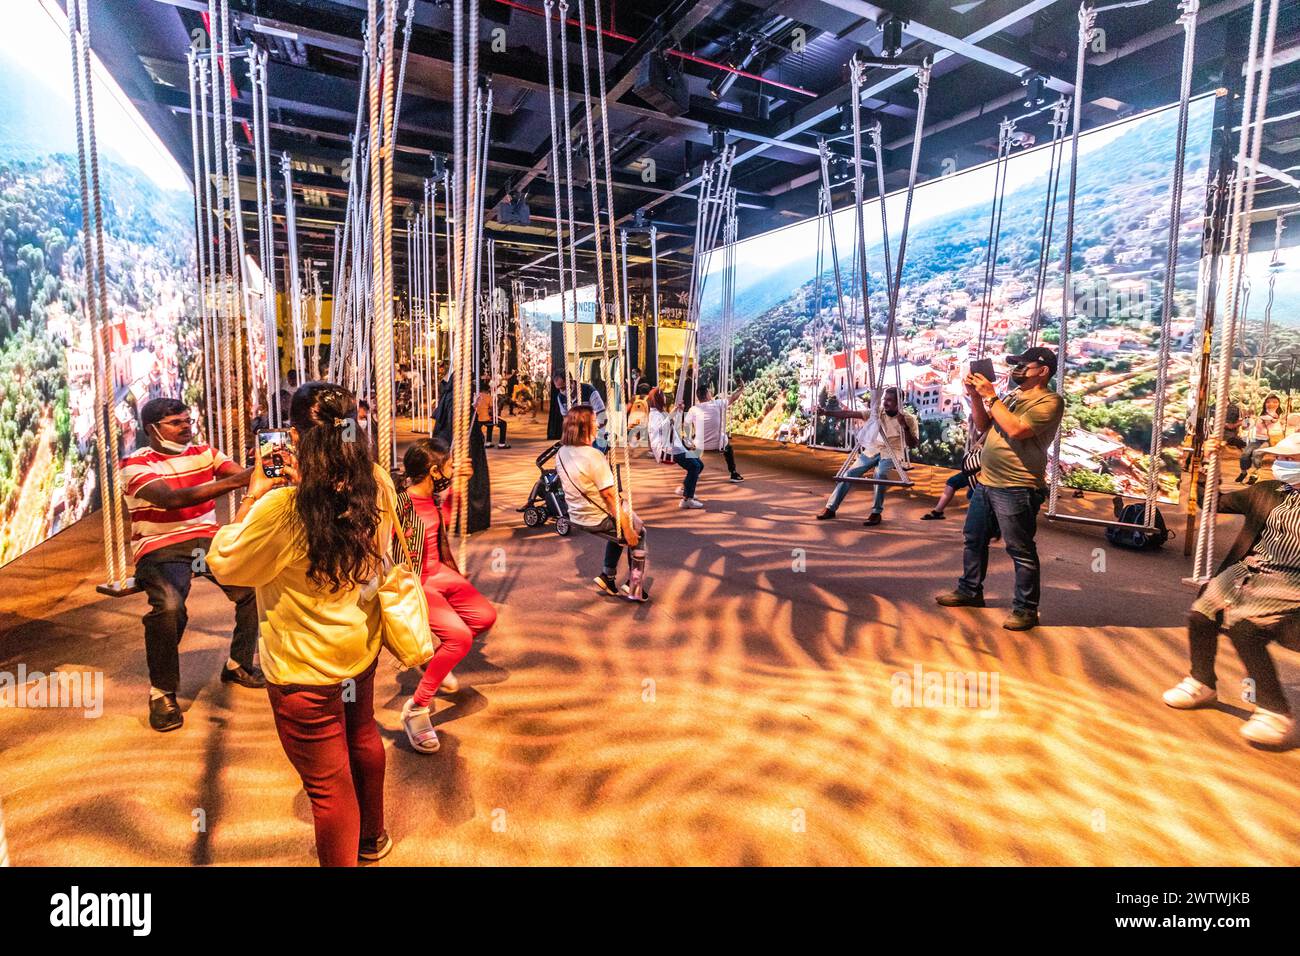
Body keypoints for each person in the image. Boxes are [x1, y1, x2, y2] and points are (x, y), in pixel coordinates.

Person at [206, 382, 397, 866]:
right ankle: (372, 837)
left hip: (303, 667)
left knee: (327, 786)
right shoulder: (375, 479)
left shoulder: (283, 508)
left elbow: (225, 563)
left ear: (292, 436)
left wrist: (253, 496)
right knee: (362, 732)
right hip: (359, 643)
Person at [119, 397, 264, 734]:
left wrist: (264, 469)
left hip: (206, 537)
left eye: (187, 420)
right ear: (152, 429)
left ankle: (238, 664)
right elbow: (171, 499)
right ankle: (162, 692)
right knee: (169, 608)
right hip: (160, 545)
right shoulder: (136, 463)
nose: (186, 427)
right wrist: (238, 481)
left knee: (253, 588)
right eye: (176, 423)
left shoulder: (205, 453)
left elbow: (240, 474)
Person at [1163, 432, 1300, 746]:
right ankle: (1201, 680)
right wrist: (1203, 463)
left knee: (1245, 628)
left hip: (1292, 585)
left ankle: (1274, 710)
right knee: (1202, 614)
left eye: (1291, 460)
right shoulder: (1268, 491)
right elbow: (1211, 500)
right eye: (1280, 458)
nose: (1281, 464)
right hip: (1249, 572)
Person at [935, 347, 1064, 631]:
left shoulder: (1051, 401)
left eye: (1023, 365)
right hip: (987, 481)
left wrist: (991, 396)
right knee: (974, 538)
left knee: (1019, 548)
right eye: (1015, 364)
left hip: (1018, 485)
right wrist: (975, 397)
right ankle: (970, 590)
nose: (1018, 369)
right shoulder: (1012, 397)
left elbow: (1017, 430)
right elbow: (983, 426)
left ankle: (1026, 609)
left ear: (1043, 371)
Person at [396, 438, 497, 753]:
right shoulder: (401, 503)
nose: (452, 470)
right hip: (418, 581)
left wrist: (458, 483)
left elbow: (445, 525)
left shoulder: (435, 500)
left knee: (485, 617)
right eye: (448, 466)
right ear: (432, 471)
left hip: (441, 572)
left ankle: (433, 661)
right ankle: (416, 708)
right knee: (460, 638)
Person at [554, 405, 649, 600]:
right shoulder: (593, 456)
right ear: (584, 427)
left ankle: (608, 576)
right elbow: (609, 497)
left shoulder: (561, 453)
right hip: (595, 517)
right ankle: (635, 585)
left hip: (576, 514)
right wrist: (630, 530)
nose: (597, 425)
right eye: (594, 422)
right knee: (637, 530)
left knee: (620, 525)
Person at [815, 386, 918, 526]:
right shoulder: (877, 413)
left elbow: (913, 444)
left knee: (880, 474)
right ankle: (830, 508)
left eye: (889, 400)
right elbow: (851, 414)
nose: (885, 403)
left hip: (892, 451)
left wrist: (904, 426)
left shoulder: (908, 419)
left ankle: (876, 512)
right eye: (884, 399)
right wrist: (827, 412)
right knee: (849, 473)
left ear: (898, 403)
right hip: (873, 449)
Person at [647, 387, 704, 510]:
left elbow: (674, 426)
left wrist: (678, 411)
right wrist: (674, 411)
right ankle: (687, 499)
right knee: (694, 466)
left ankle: (685, 488)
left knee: (699, 464)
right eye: (663, 396)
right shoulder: (654, 415)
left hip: (672, 446)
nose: (665, 398)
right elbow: (664, 427)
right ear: (658, 399)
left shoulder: (660, 413)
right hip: (666, 450)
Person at [921, 428, 988, 522]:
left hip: (985, 470)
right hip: (971, 469)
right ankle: (938, 511)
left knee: (972, 494)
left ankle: (983, 522)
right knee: (952, 482)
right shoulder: (978, 429)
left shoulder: (992, 430)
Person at [686, 379, 746, 482]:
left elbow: (686, 424)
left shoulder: (693, 409)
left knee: (692, 443)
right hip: (718, 444)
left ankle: (694, 471)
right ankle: (733, 473)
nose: (711, 393)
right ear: (707, 395)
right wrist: (741, 388)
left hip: (700, 445)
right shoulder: (717, 404)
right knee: (729, 448)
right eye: (709, 392)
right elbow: (733, 398)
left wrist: (689, 439)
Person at [548, 371, 607, 448]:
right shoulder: (560, 397)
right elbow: (566, 418)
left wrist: (592, 430)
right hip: (577, 436)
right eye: (559, 389)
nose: (562, 391)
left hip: (594, 432)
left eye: (563, 388)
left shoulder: (589, 390)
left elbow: (602, 415)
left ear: (571, 382)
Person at [1238, 394, 1285, 483]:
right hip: (1258, 439)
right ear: (1265, 404)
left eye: (1275, 402)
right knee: (1245, 454)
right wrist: (1246, 418)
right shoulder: (1261, 416)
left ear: (1278, 404)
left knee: (1257, 453)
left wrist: (1256, 418)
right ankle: (1243, 472)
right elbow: (1246, 427)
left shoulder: (1277, 415)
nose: (1271, 404)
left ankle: (1255, 474)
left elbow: (1273, 419)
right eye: (1268, 402)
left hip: (1270, 439)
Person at [476, 378, 509, 448]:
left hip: (477, 418)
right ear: (487, 390)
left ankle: (488, 442)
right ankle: (501, 444)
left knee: (490, 424)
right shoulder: (488, 397)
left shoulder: (476, 396)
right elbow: (492, 409)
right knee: (503, 424)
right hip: (485, 418)